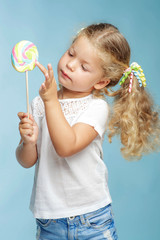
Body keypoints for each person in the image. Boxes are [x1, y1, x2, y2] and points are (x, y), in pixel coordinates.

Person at [16, 23, 160, 240]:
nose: (70, 65)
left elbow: (67, 146)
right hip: (49, 222)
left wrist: (51, 101)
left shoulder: (96, 108)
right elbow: (26, 160)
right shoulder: (39, 103)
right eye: (71, 53)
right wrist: (27, 143)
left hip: (91, 220)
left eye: (84, 67)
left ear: (101, 82)